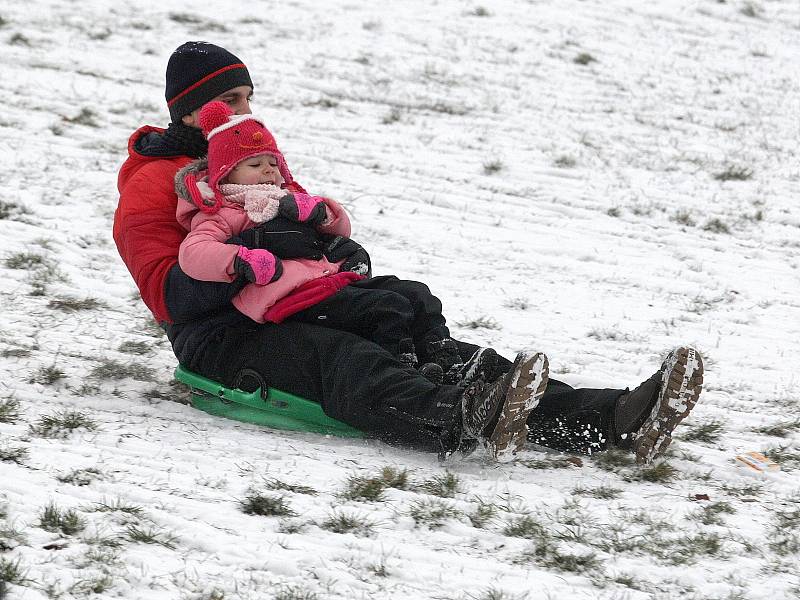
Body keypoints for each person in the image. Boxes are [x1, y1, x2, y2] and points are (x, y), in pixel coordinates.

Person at [113, 41, 704, 465]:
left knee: (433, 342)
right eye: (234, 100)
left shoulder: (244, 167)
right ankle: (461, 419)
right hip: (223, 335)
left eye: (249, 98)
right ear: (194, 110)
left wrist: (338, 251)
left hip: (296, 300)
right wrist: (253, 254)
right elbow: (169, 296)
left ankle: (615, 418)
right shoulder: (153, 184)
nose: (247, 112)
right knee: (346, 360)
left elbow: (306, 226)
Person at [174, 100, 462, 382]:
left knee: (416, 294)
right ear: (226, 172)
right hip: (288, 298)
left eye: (273, 163)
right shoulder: (224, 211)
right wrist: (241, 259)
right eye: (255, 163)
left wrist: (321, 212)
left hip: (326, 282)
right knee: (386, 308)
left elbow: (343, 229)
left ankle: (444, 361)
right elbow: (194, 251)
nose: (268, 170)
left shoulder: (285, 199)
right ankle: (404, 376)